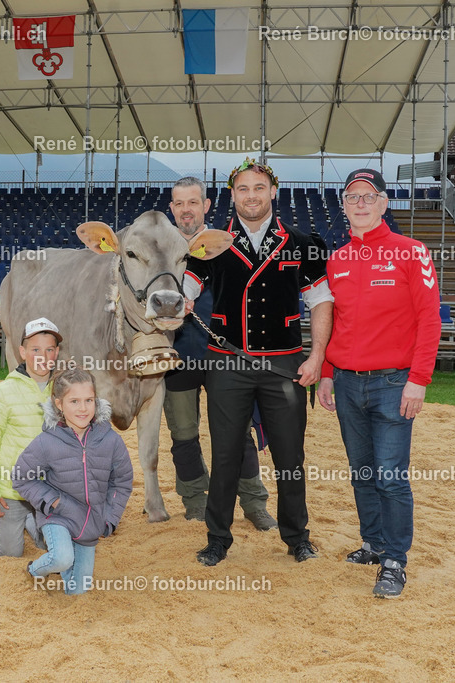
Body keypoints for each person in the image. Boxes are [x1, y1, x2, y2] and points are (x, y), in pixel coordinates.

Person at [183, 158, 334, 566]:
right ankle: (218, 538)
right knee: (226, 454)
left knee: (290, 457)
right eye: (243, 189)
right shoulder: (211, 242)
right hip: (226, 364)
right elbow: (186, 288)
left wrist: (317, 356)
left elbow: (321, 300)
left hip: (284, 365)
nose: (251, 196)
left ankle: (297, 537)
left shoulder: (302, 242)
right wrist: (179, 300)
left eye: (259, 188)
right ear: (233, 195)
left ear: (273, 192)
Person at [318, 169, 441, 598]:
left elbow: (429, 320)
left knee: (390, 477)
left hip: (394, 383)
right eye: (353, 196)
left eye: (369, 196)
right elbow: (335, 323)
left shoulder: (412, 252)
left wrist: (418, 379)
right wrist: (327, 374)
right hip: (347, 383)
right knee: (363, 473)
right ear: (343, 205)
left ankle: (395, 560)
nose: (361, 203)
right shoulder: (337, 259)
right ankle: (373, 543)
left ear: (384, 203)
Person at [166, 176, 277, 530]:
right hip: (177, 359)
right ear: (172, 209)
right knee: (184, 434)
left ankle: (254, 502)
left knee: (238, 433)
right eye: (179, 203)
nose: (186, 210)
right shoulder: (160, 250)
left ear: (206, 206)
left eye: (193, 202)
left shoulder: (228, 245)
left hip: (225, 358)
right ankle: (196, 500)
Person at [13, 367, 133, 595]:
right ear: (59, 404)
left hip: (91, 521)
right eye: (74, 401)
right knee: (62, 558)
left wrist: (109, 518)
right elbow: (21, 477)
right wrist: (53, 501)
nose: (83, 408)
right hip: (58, 515)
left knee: (78, 590)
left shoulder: (111, 440)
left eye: (89, 400)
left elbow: (122, 481)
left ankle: (69, 573)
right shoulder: (47, 442)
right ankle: (35, 570)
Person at [0, 317, 62, 557]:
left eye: (49, 349)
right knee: (10, 553)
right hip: (11, 491)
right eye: (35, 350)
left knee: (52, 548)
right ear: (22, 352)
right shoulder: (3, 392)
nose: (42, 356)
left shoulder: (64, 391)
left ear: (57, 353)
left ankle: (32, 521)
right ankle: (2, 521)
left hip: (48, 491)